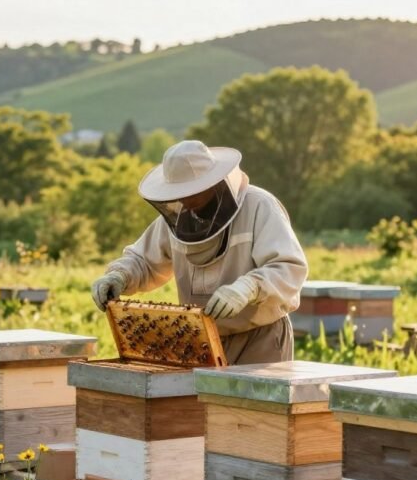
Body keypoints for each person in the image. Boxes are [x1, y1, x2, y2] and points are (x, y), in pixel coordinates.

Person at [91, 140, 308, 366]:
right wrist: (121, 275)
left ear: (212, 183)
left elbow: (289, 268)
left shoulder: (259, 206)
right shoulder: (177, 219)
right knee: (201, 403)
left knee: (255, 402)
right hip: (202, 340)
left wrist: (248, 288)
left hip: (259, 338)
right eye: (179, 192)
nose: (185, 200)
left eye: (192, 191)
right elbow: (143, 261)